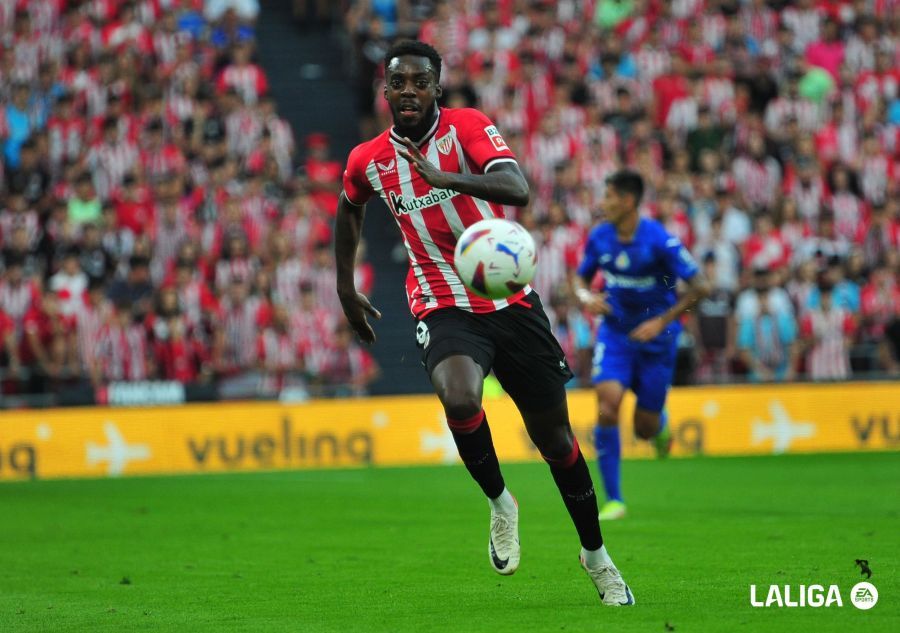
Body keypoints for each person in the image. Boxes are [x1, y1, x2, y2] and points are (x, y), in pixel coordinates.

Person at [335, 40, 634, 606]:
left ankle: (595, 553)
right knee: (460, 397)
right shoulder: (368, 159)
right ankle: (500, 502)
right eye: (398, 82)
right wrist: (345, 287)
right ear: (385, 89)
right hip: (443, 302)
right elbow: (349, 205)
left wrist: (447, 179)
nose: (408, 91)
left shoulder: (468, 127)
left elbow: (517, 188)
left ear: (436, 88)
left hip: (509, 301)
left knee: (556, 440)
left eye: (420, 82)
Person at [573, 170, 710, 521]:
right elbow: (579, 278)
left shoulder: (659, 240)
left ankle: (659, 426)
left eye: (608, 197)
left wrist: (662, 320)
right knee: (607, 403)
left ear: (628, 201)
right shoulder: (600, 237)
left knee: (643, 428)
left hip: (657, 340)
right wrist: (585, 296)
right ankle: (614, 499)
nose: (602, 204)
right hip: (615, 334)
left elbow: (701, 286)